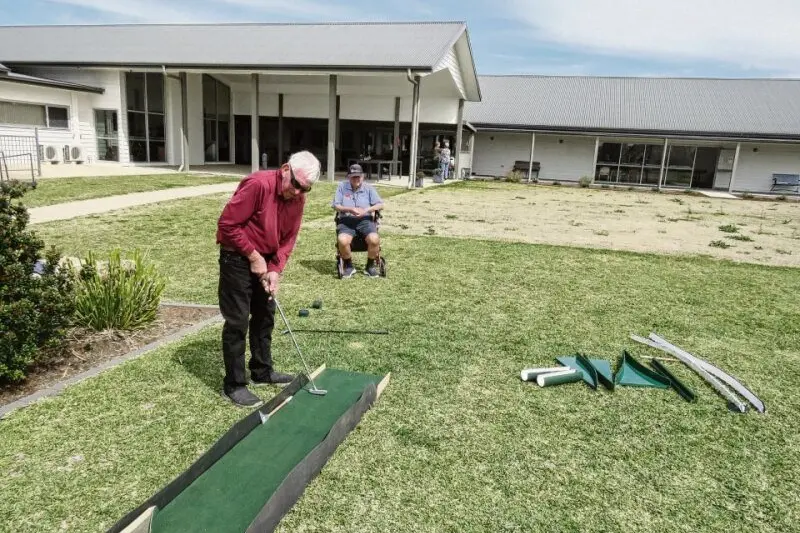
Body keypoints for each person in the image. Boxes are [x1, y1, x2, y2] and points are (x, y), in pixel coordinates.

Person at [216, 150, 321, 407]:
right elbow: (227, 225)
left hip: (266, 259)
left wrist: (275, 268)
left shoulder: (297, 199)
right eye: (295, 184)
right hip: (237, 258)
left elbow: (288, 239)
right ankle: (234, 384)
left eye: (305, 189)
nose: (297, 192)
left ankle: (262, 371)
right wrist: (253, 256)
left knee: (265, 315)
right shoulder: (258, 184)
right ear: (285, 169)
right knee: (238, 320)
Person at [333, 163, 384, 278]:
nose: (356, 179)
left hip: (365, 220)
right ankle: (349, 266)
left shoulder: (369, 188)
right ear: (348, 177)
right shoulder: (342, 186)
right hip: (346, 220)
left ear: (363, 176)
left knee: (374, 239)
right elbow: (336, 205)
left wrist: (366, 209)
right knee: (342, 240)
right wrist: (349, 209)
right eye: (353, 176)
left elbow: (380, 204)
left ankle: (370, 267)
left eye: (358, 176)